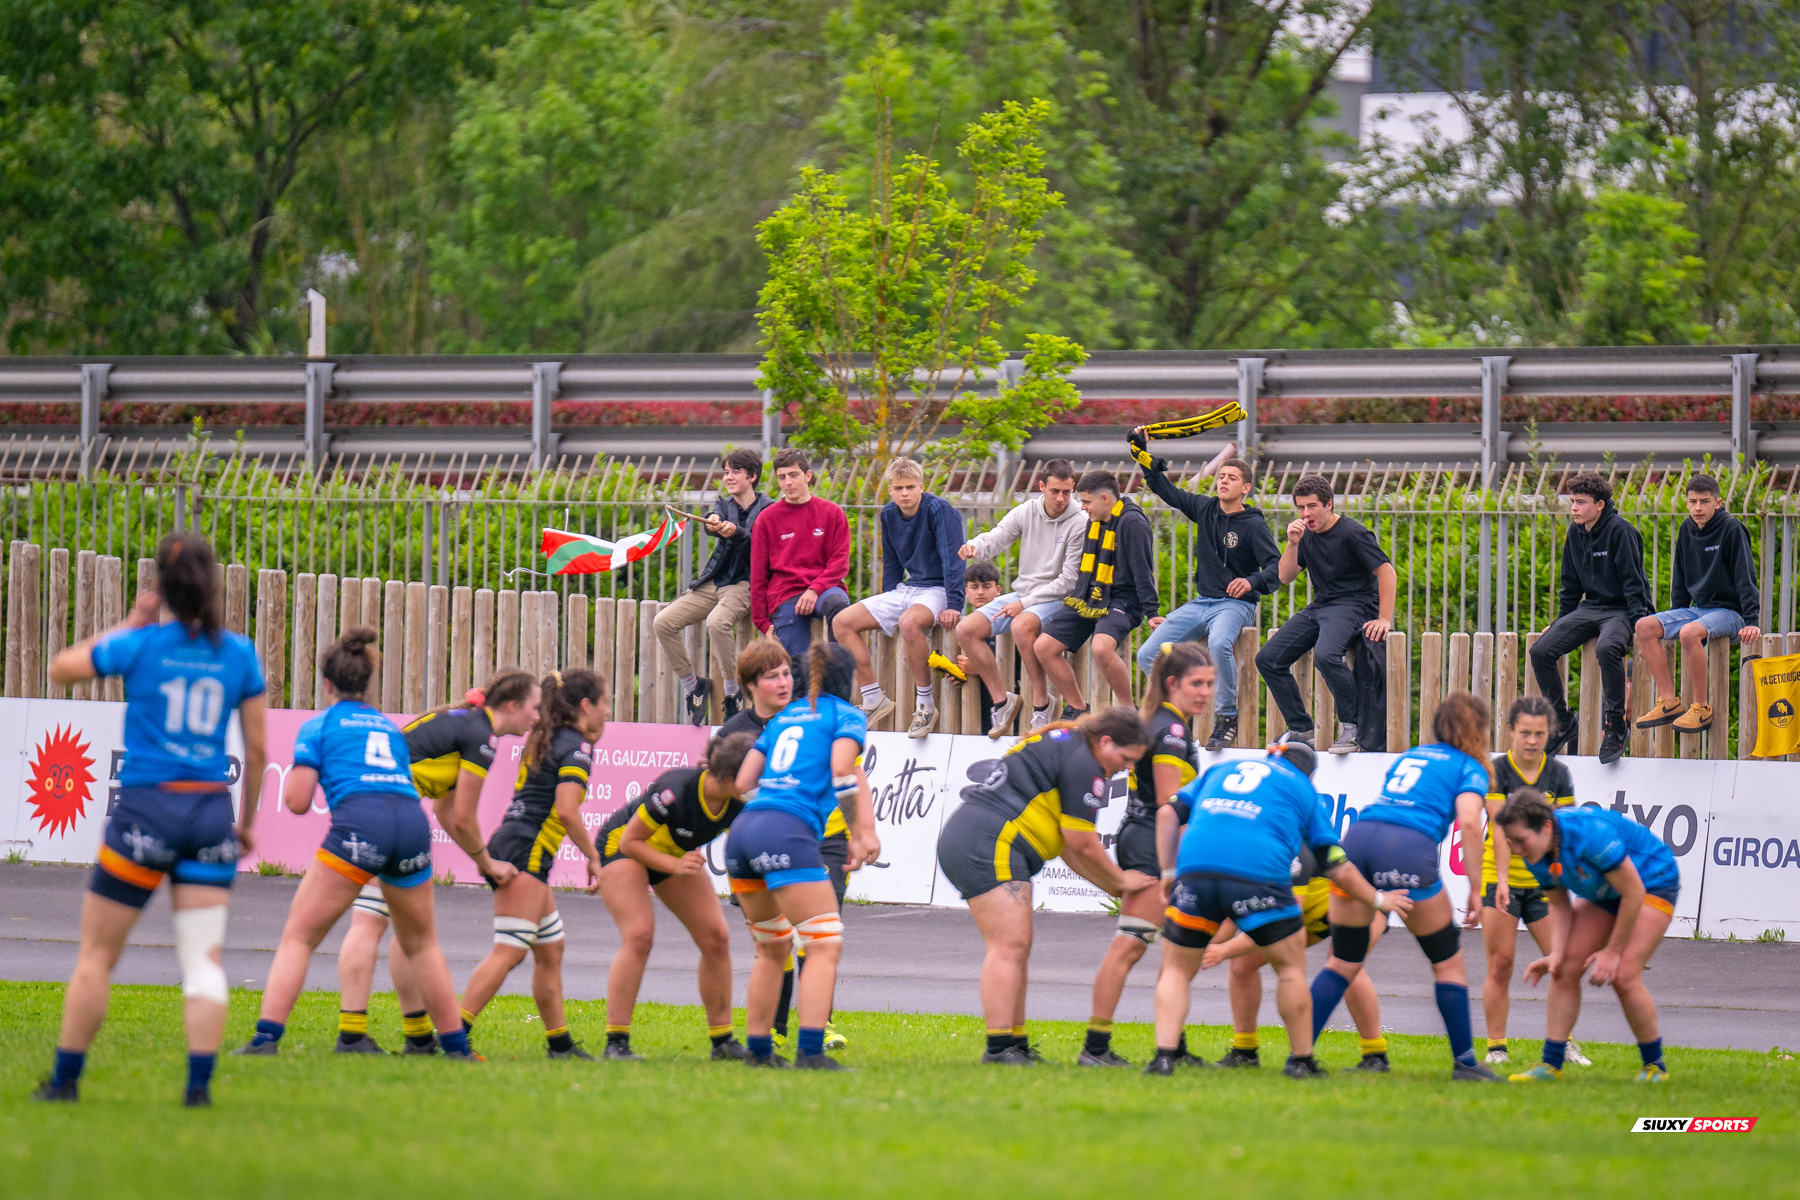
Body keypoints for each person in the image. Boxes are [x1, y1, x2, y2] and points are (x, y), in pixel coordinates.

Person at [34, 532, 267, 1107]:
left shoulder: (140, 646)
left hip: (144, 810)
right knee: (203, 959)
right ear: (214, 585)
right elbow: (258, 751)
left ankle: (65, 1082)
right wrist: (245, 823)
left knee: (96, 957)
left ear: (161, 589)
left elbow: (60, 669)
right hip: (209, 813)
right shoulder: (238, 654)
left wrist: (132, 622)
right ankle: (197, 1090)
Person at [233, 629, 476, 1062]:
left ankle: (265, 1040)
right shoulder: (389, 727)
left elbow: (297, 801)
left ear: (326, 684)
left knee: (299, 937)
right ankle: (456, 1049)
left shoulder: (320, 726)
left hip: (362, 823)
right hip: (411, 823)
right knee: (423, 944)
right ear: (368, 683)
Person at [1148, 737, 1410, 1079]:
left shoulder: (1224, 772)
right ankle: (1255, 1053)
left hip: (1348, 902)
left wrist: (1170, 876)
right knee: (1256, 965)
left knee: (1344, 965)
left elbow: (1293, 914)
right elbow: (1272, 911)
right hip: (1323, 895)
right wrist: (1225, 947)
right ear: (1311, 777)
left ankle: (1374, 1054)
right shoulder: (1299, 796)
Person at [333, 670, 541, 1055]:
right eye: (535, 707)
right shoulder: (483, 737)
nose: (538, 717)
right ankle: (351, 1035)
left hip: (367, 801)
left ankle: (415, 1037)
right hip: (388, 808)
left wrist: (484, 860)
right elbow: (463, 818)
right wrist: (487, 863)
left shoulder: (467, 724)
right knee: (373, 920)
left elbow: (446, 812)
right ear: (512, 706)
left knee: (405, 926)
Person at [935, 708, 1152, 1066]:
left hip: (980, 836)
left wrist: (1113, 888)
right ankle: (999, 1048)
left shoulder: (1071, 744)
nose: (1126, 768)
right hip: (989, 841)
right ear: (1106, 741)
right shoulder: (1086, 763)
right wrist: (1120, 880)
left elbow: (1070, 849)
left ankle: (1015, 1046)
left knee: (1016, 947)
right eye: (1126, 759)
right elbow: (1080, 843)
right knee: (1008, 947)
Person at [1307, 692, 1501, 1081]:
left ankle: (1299, 1056)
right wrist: (1478, 889)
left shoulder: (1414, 754)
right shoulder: (1471, 767)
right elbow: (1467, 822)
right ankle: (1465, 1063)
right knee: (1446, 961)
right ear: (1481, 730)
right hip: (1407, 846)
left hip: (1358, 838)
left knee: (1344, 959)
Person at [727, 643, 879, 1070]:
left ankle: (759, 1053)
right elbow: (842, 772)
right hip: (786, 830)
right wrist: (862, 833)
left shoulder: (782, 717)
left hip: (744, 831)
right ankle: (811, 1052)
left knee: (771, 949)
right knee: (823, 944)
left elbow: (741, 783)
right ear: (847, 678)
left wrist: (772, 805)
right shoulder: (846, 715)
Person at [457, 670, 609, 1059]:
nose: (608, 712)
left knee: (550, 949)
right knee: (509, 951)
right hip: (526, 853)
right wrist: (593, 857)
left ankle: (559, 1045)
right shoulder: (576, 747)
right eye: (605, 703)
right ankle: (453, 1037)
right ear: (586, 707)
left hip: (512, 843)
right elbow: (567, 811)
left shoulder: (545, 737)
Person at [1079, 643, 1214, 1068]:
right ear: (1173, 683)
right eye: (1197, 683)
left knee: (1175, 948)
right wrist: (1175, 865)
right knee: (1131, 945)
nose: (1206, 692)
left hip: (1147, 837)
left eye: (1211, 683)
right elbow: (1168, 805)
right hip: (1152, 842)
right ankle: (1095, 1048)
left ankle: (1173, 1045)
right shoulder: (1170, 732)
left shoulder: (1169, 722)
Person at [1499, 791, 1682, 1083]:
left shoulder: (1591, 835)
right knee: (1565, 968)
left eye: (1520, 840)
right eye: (1511, 842)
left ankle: (1655, 1067)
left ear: (1546, 827)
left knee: (1623, 974)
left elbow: (1633, 893)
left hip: (1650, 883)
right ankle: (1551, 1066)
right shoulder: (1534, 851)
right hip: (1608, 891)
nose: (1516, 849)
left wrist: (1612, 951)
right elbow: (1560, 904)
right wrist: (1557, 953)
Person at [595, 732, 756, 1061]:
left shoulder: (737, 801)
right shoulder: (676, 790)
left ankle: (722, 1042)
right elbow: (630, 842)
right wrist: (675, 864)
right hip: (623, 848)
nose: (758, 782)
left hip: (673, 853)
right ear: (727, 778)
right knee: (639, 935)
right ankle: (616, 1043)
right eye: (753, 775)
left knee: (716, 938)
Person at [1134, 446, 1281, 751]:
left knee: (1218, 643)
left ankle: (1226, 716)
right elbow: (1167, 490)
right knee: (1148, 654)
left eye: (1231, 478)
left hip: (1236, 605)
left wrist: (1251, 581)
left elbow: (1276, 569)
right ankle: (1174, 714)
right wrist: (1143, 455)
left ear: (1246, 488)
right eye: (1221, 476)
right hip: (1201, 603)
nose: (1223, 481)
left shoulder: (1254, 525)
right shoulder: (1205, 508)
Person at [1200, 845, 1393, 1072]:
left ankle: (1375, 1055)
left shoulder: (1293, 854)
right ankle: (1244, 1052)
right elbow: (1234, 919)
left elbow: (1281, 925)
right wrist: (1204, 947)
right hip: (1314, 913)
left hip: (1359, 900)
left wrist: (1222, 951)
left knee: (1344, 964)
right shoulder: (1243, 857)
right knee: (1243, 963)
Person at [1479, 695, 1589, 1068]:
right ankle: (1496, 1047)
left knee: (1563, 964)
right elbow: (1500, 829)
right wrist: (1505, 882)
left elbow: (1565, 832)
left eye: (1540, 734)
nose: (1532, 740)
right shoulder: (1497, 771)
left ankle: (1564, 1045)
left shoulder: (1559, 774)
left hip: (1547, 884)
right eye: (1525, 732)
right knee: (1501, 965)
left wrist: (1570, 881)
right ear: (1510, 732)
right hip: (1500, 879)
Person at [1254, 474, 1396, 754]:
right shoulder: (1304, 535)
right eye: (1300, 508)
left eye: (1312, 506)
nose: (1306, 514)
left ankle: (1352, 727)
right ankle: (1300, 726)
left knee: (1326, 655)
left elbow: (1387, 573)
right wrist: (1292, 543)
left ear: (1329, 504)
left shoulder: (1353, 533)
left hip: (1355, 604)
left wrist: (1384, 618)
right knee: (1267, 658)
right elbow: (1285, 576)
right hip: (1321, 606)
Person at [834, 457, 967, 738]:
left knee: (909, 624)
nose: (904, 493)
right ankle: (873, 698)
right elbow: (892, 562)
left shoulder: (939, 510)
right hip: (907, 589)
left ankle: (925, 705)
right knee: (842, 622)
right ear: (890, 490)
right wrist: (887, 601)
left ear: (921, 486)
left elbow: (953, 561)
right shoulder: (888, 514)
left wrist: (955, 604)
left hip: (938, 589)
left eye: (909, 487)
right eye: (898, 488)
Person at [954, 460, 1087, 735]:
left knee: (1021, 625)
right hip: (1025, 592)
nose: (1061, 498)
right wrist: (974, 545)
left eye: (1066, 491)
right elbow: (998, 537)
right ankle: (1002, 701)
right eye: (1054, 491)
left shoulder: (1080, 521)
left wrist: (1024, 604)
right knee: (966, 629)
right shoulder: (1027, 510)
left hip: (1058, 596)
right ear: (1041, 487)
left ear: (1073, 488)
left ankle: (1041, 704)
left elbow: (1069, 581)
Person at [1528, 472, 1650, 764]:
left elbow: (1635, 584)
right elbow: (1570, 585)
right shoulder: (1575, 532)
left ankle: (1615, 724)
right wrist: (1560, 623)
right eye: (1572, 502)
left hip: (1620, 609)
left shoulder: (1622, 531)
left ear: (1600, 504)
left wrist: (1638, 623)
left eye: (1581, 502)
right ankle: (1562, 719)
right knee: (1540, 650)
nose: (1574, 508)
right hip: (1590, 607)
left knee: (1607, 648)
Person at [1633, 473, 1761, 737]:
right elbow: (1679, 580)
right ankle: (1668, 700)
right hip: (1698, 610)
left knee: (1689, 632)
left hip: (1730, 612)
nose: (1698, 508)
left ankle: (1701, 707)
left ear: (1718, 502)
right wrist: (1673, 616)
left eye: (1705, 501)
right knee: (1644, 626)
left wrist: (1752, 620)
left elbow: (1745, 577)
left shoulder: (1732, 529)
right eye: (1693, 501)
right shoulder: (1685, 529)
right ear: (1686, 502)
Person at [654, 447, 772, 724]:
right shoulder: (722, 504)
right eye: (726, 472)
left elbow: (764, 548)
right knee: (662, 622)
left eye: (735, 472)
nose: (728, 477)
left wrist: (739, 532)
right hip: (714, 581)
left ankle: (734, 692)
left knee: (716, 623)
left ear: (752, 476)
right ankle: (693, 686)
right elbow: (712, 521)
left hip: (745, 583)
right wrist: (715, 524)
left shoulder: (769, 509)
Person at [1038, 472, 1160, 717]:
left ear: (1105, 498)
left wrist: (1151, 611)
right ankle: (1078, 708)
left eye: (1086, 502)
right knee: (1043, 647)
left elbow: (1142, 569)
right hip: (1090, 594)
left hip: (1124, 598)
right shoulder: (1094, 520)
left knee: (1101, 648)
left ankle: (1127, 710)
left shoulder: (1132, 522)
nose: (1083, 509)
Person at [750, 447, 852, 664]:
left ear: (808, 475)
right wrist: (762, 622)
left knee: (839, 606)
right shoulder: (767, 519)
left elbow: (839, 562)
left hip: (824, 589)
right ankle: (800, 696)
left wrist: (814, 589)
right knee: (798, 665)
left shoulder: (832, 512)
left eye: (793, 475)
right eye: (782, 477)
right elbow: (758, 574)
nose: (788, 482)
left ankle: (836, 680)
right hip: (785, 594)